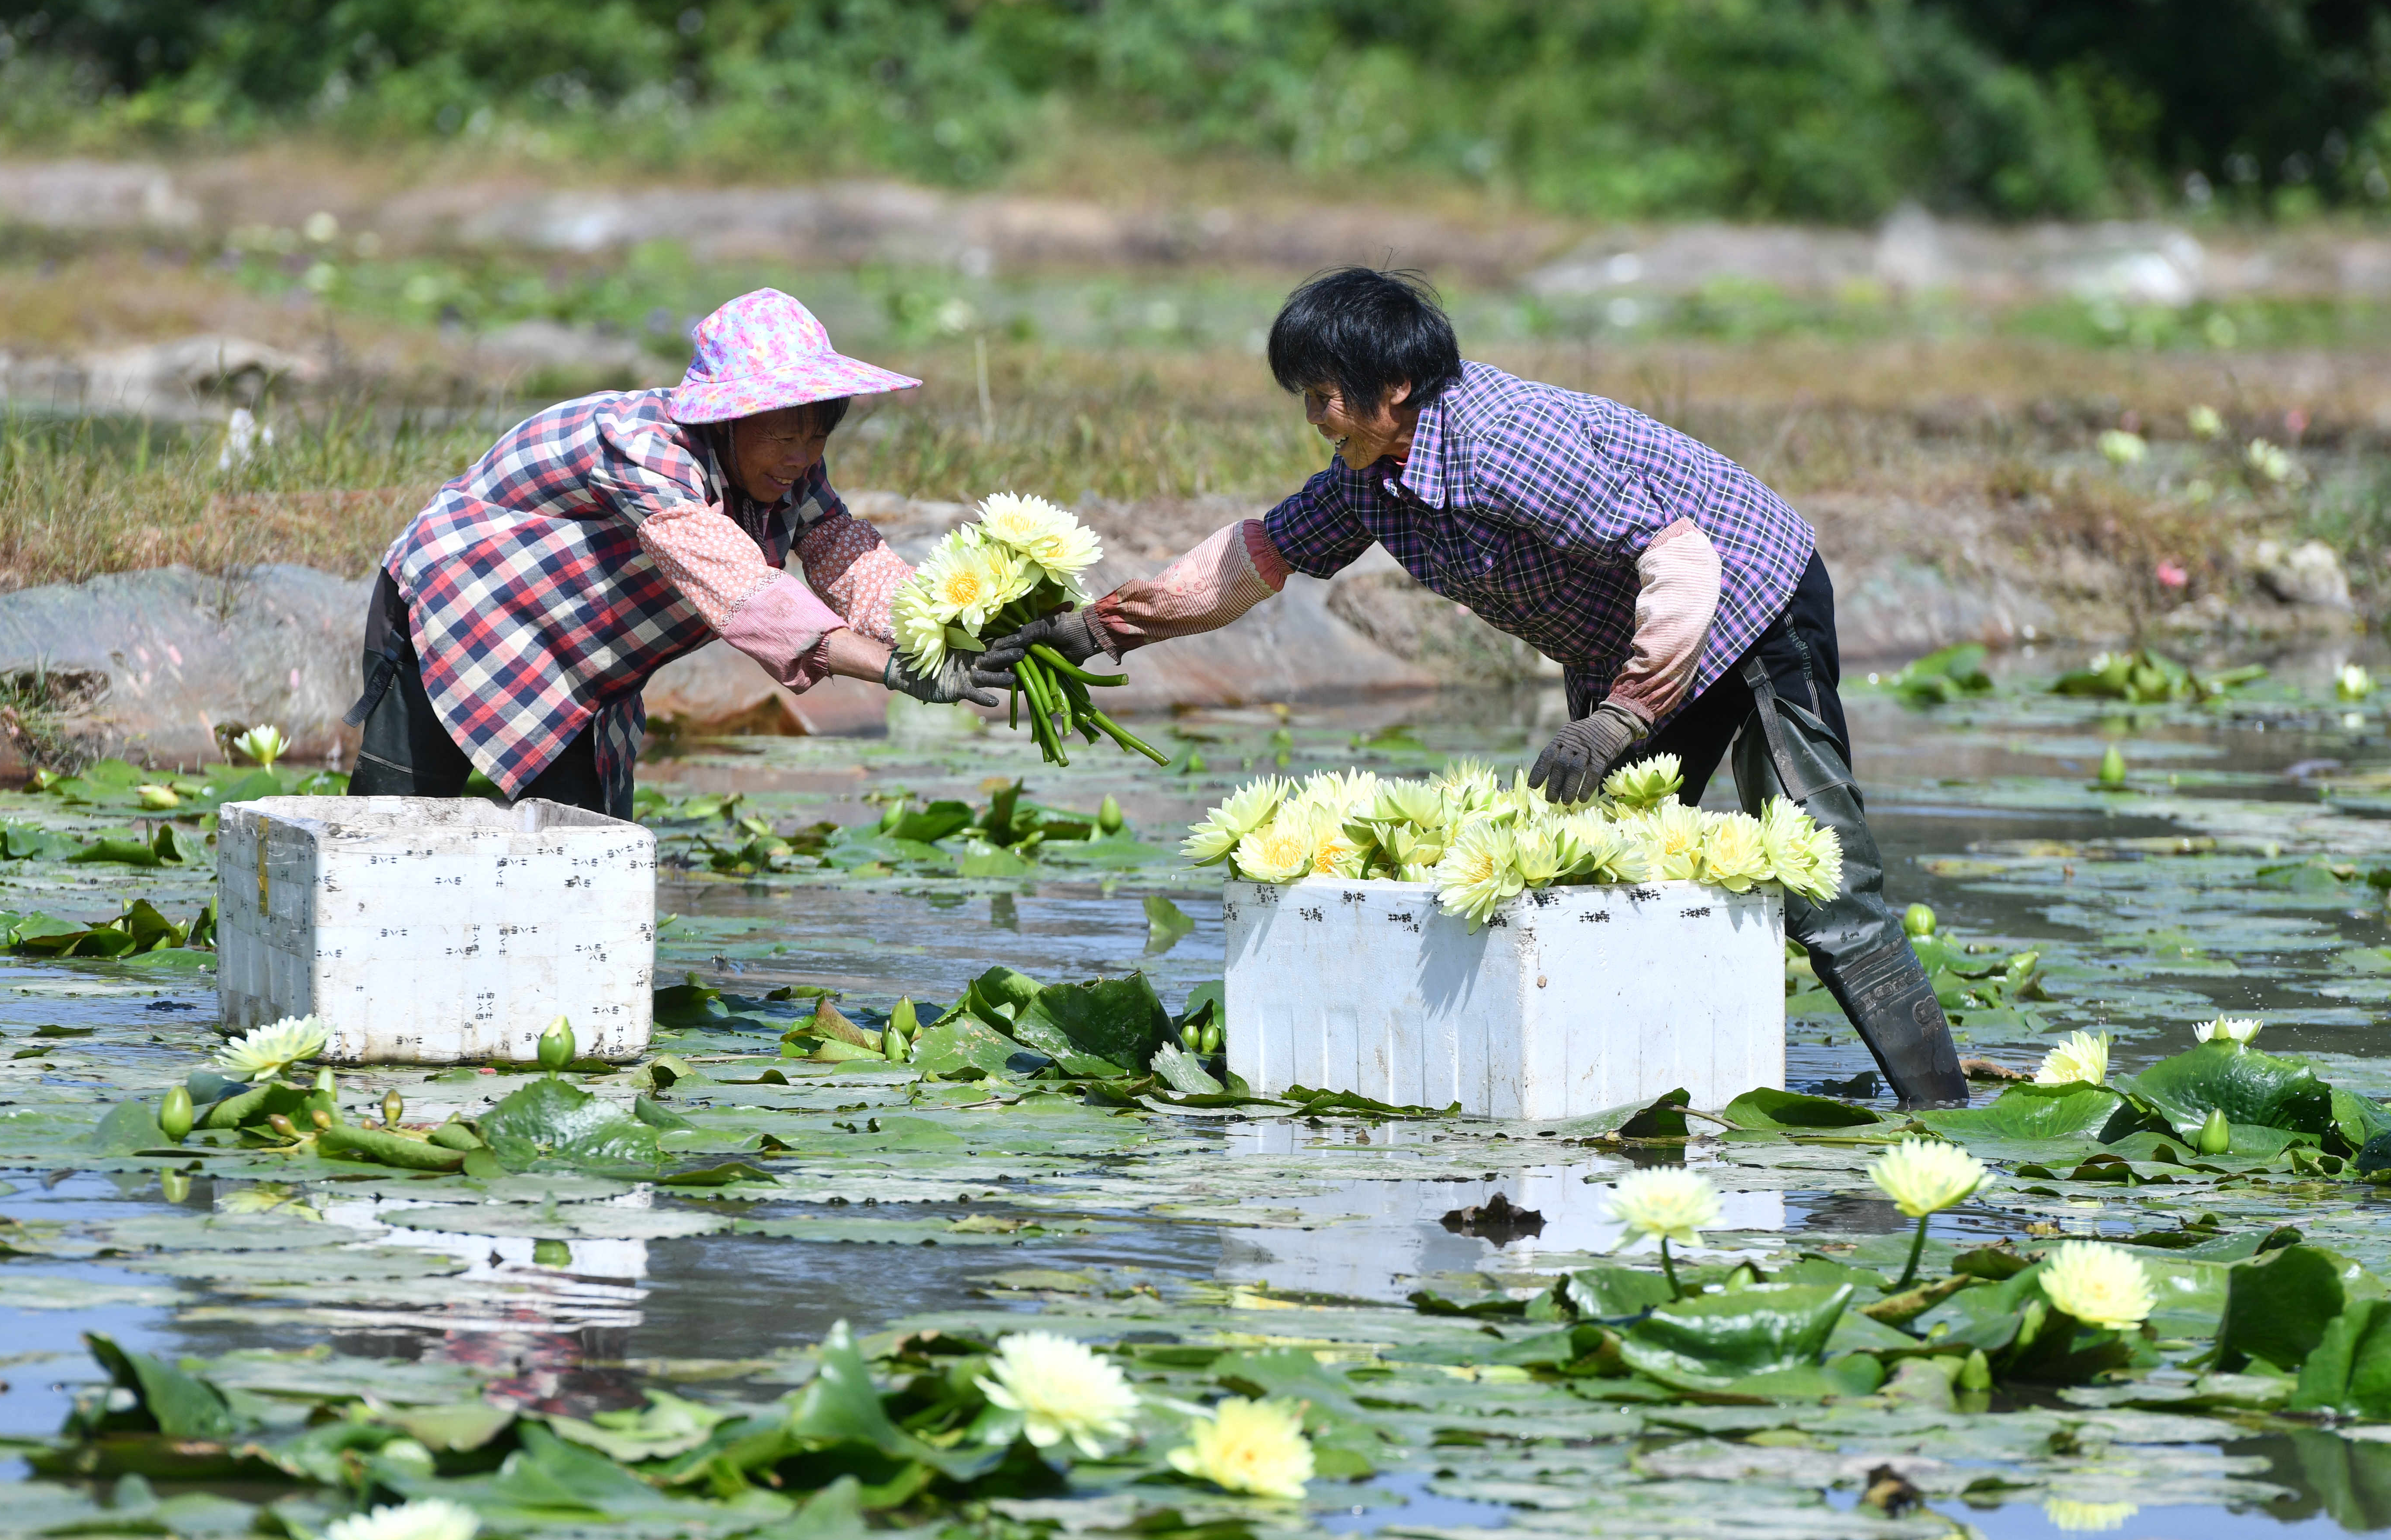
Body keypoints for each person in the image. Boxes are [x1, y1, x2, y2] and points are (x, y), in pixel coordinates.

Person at [982, 266, 1966, 1108]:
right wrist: (1099, 628)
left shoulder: (1507, 445)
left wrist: (1623, 715)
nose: (1315, 419)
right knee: (1600, 858)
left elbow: (1679, 560)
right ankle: (1624, 1088)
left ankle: (1938, 1111)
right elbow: (1255, 558)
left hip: (1749, 609)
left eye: (1327, 396)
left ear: (1396, 387)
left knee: (1824, 879)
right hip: (1628, 644)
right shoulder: (1370, 475)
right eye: (1307, 397)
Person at [347, 288, 1001, 815]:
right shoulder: (647, 448)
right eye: (781, 436)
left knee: (586, 853)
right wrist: (890, 672)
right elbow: (741, 590)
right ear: (726, 419)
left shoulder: (794, 476)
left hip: (577, 659)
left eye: (815, 436)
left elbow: (852, 564)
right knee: (391, 826)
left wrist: (963, 631)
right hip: (454, 614)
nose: (800, 458)